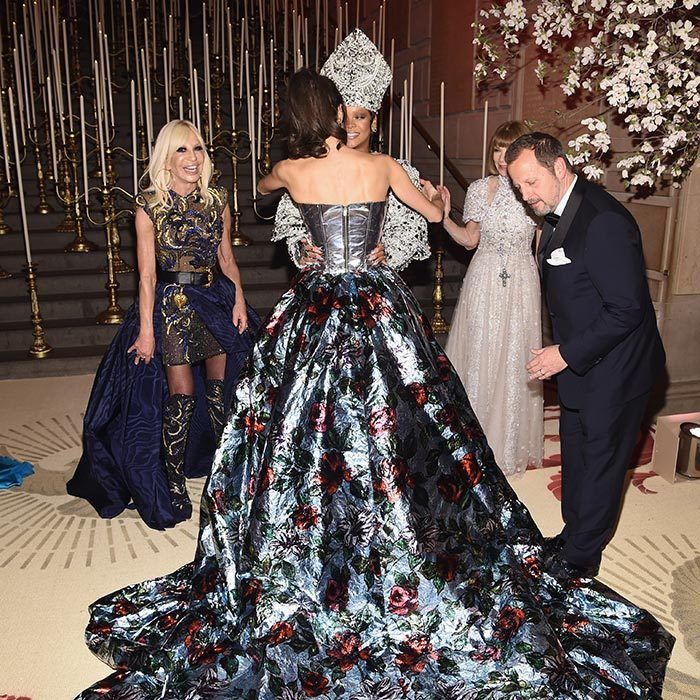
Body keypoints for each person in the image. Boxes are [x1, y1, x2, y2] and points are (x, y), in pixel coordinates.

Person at [75, 72, 672, 699]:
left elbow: (259, 192)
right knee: (408, 417)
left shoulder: (290, 169)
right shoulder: (385, 165)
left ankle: (308, 536)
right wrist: (434, 198)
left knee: (297, 427)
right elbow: (437, 213)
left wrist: (305, 228)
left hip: (317, 303)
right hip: (378, 303)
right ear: (337, 112)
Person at [67, 120, 258, 530]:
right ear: (166, 160)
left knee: (220, 392)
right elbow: (147, 276)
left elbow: (226, 258)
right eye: (182, 151)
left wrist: (239, 298)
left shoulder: (217, 200)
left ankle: (220, 476)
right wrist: (147, 330)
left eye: (198, 149)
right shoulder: (149, 205)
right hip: (171, 305)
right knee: (180, 394)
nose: (193, 158)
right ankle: (171, 479)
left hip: (214, 301)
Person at [506, 132, 666, 578]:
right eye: (519, 187)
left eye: (532, 182)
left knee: (599, 465)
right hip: (583, 362)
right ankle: (572, 537)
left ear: (560, 167)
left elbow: (627, 309)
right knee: (577, 455)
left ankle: (580, 561)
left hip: (617, 369)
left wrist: (565, 354)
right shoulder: (559, 211)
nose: (526, 195)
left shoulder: (602, 221)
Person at [274, 29, 430, 272]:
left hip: (376, 285)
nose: (350, 126)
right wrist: (302, 248)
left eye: (360, 116)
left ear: (374, 121)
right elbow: (294, 222)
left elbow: (409, 226)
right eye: (344, 117)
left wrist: (390, 250)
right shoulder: (310, 167)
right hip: (323, 285)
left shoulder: (395, 169)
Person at [439, 121, 543, 476]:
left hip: (521, 283)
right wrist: (442, 215)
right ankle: (470, 440)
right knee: (479, 353)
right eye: (498, 149)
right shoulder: (480, 189)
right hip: (483, 279)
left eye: (510, 149)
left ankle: (507, 442)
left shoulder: (534, 192)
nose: (502, 158)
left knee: (514, 356)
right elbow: (469, 240)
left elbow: (544, 246)